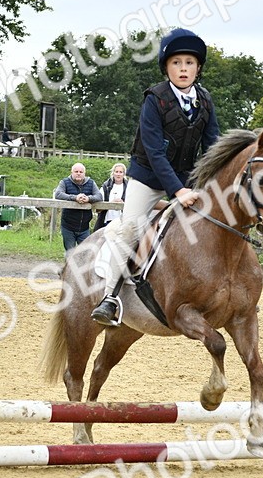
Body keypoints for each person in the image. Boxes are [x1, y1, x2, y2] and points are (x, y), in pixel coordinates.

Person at [91, 28, 220, 325]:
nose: (183, 68)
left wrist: (206, 184)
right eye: (177, 63)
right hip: (148, 178)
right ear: (167, 68)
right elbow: (155, 153)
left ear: (198, 67)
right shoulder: (154, 99)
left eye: (189, 62)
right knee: (128, 228)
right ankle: (109, 297)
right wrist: (178, 191)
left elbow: (212, 145)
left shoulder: (206, 100)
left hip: (188, 180)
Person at [54, 162, 101, 251]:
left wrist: (88, 199)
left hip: (84, 226)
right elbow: (58, 194)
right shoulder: (64, 182)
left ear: (84, 173)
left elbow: (99, 196)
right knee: (70, 253)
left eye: (81, 172)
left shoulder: (91, 183)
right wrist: (75, 198)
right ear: (72, 172)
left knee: (85, 253)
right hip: (68, 225)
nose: (78, 173)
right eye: (76, 171)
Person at [93, 162, 128, 233]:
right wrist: (111, 204)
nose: (118, 174)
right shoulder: (105, 187)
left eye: (121, 172)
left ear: (124, 174)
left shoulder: (129, 187)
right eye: (116, 172)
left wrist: (122, 203)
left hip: (123, 221)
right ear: (113, 173)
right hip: (107, 220)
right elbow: (98, 208)